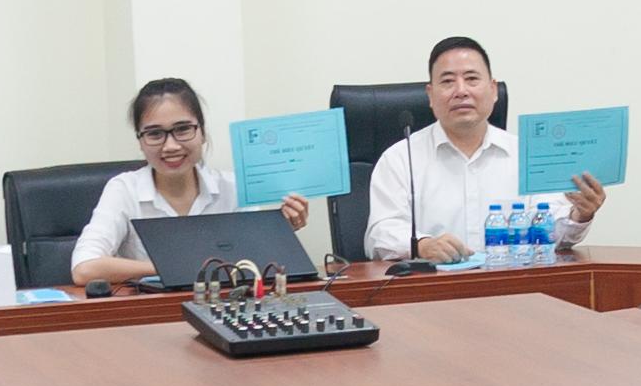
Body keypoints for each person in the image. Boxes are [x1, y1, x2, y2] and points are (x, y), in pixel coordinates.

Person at [363, 37, 599, 265]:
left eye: (472, 79)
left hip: (513, 284)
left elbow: (553, 233)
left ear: (493, 90)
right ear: (430, 95)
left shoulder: (527, 155)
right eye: (447, 81)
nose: (461, 91)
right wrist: (422, 245)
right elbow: (380, 234)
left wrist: (580, 215)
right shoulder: (401, 158)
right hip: (433, 287)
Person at [67, 78, 314, 289]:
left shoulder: (233, 188)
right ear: (140, 141)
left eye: (183, 129)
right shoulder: (124, 189)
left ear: (202, 132)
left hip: (224, 309)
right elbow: (84, 268)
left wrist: (282, 230)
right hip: (150, 316)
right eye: (154, 134)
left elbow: (254, 262)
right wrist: (172, 267)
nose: (171, 146)